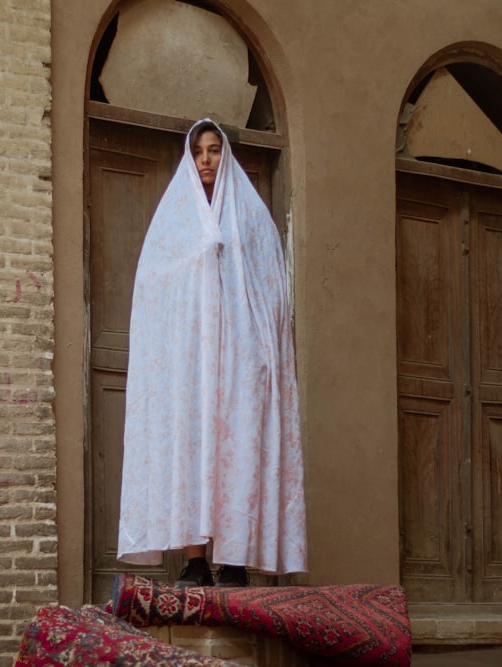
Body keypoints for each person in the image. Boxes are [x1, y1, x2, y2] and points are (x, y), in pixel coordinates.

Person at [117, 118, 307, 588]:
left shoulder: (251, 216)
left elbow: (272, 289)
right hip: (191, 365)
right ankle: (196, 561)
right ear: (189, 157)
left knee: (237, 452)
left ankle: (235, 560)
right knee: (193, 451)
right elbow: (154, 290)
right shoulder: (174, 220)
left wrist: (262, 355)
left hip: (241, 362)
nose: (206, 159)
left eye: (215, 150)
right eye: (199, 151)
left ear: (226, 156)